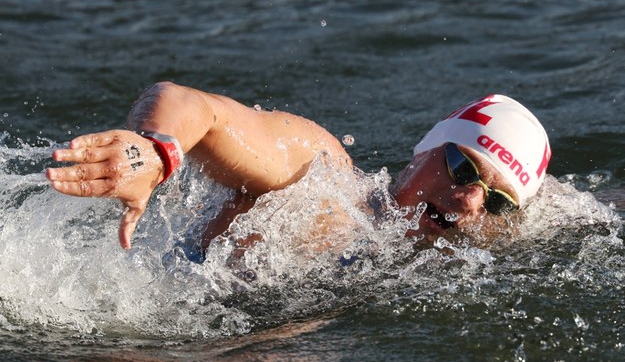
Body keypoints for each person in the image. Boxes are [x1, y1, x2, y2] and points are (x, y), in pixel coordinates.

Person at [46, 82, 551, 250]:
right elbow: (191, 104)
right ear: (423, 150)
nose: (469, 200)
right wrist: (154, 153)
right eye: (463, 167)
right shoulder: (320, 179)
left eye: (499, 200)